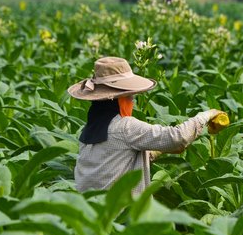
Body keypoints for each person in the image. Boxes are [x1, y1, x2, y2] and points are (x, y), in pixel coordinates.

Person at [68, 57, 224, 194]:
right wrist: (206, 115)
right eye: (130, 97)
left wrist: (158, 149)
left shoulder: (88, 130)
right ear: (118, 100)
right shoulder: (125, 127)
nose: (132, 102)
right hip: (121, 220)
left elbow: (118, 159)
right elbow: (178, 137)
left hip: (90, 216)